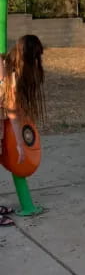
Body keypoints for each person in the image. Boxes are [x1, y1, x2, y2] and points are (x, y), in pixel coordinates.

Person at [0, 35, 46, 227]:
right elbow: (12, 112)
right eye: (35, 57)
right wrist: (20, 144)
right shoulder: (9, 73)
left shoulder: (5, 64)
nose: (37, 62)